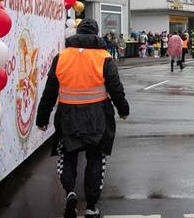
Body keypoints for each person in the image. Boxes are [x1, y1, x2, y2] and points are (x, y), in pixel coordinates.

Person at [36, 18, 130, 218]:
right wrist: (123, 109)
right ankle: (91, 206)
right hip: (98, 117)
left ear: (77, 33)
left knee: (67, 155)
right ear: (96, 34)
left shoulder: (61, 56)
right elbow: (116, 88)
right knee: (96, 158)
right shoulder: (104, 57)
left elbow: (50, 92)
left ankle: (70, 191)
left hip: (68, 116)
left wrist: (42, 119)